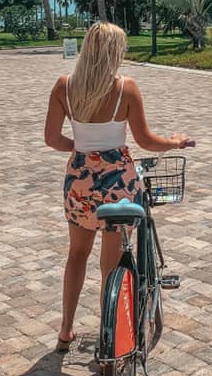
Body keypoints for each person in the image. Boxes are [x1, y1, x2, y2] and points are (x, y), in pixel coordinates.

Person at [44, 21, 192, 352]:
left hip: (79, 184)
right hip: (119, 188)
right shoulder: (126, 88)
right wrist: (175, 141)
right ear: (115, 53)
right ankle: (108, 341)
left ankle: (65, 331)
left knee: (76, 255)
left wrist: (84, 151)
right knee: (110, 266)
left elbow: (52, 139)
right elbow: (146, 141)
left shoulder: (63, 87)